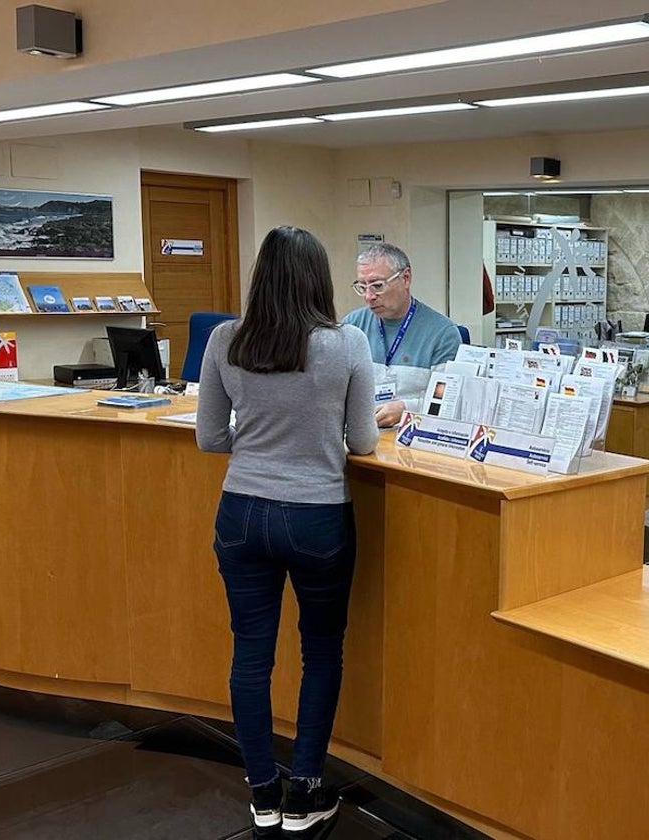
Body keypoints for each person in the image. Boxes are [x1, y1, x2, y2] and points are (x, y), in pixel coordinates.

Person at [196, 226, 379, 834]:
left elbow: (210, 437)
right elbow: (364, 441)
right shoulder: (347, 343)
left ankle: (262, 791)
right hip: (317, 514)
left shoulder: (226, 339)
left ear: (260, 275)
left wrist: (260, 433)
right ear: (319, 278)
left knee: (251, 650)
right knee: (320, 648)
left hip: (241, 511)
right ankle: (304, 788)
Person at [342, 242, 461, 427]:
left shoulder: (443, 333)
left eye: (377, 285)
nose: (369, 296)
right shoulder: (352, 325)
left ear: (405, 278)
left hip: (414, 438)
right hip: (361, 436)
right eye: (362, 287)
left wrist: (408, 409)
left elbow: (448, 402)